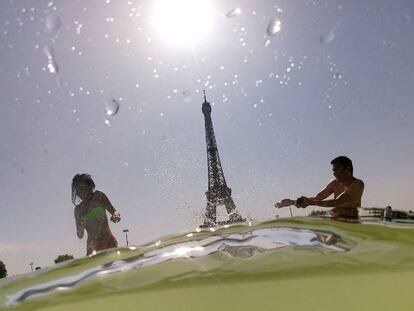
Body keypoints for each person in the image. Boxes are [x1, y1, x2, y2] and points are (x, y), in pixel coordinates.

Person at [275, 156, 364, 220]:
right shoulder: (333, 183)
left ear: (347, 169)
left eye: (337, 169)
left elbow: (338, 201)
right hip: (336, 223)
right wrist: (293, 202)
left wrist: (310, 202)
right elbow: (317, 198)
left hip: (352, 224)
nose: (334, 173)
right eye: (333, 170)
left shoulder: (358, 184)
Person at [72, 174, 121, 255]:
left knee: (110, 264)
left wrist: (116, 216)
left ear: (90, 186)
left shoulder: (99, 196)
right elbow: (80, 235)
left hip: (109, 242)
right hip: (92, 248)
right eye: (78, 190)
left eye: (83, 188)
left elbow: (115, 212)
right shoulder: (78, 210)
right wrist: (81, 226)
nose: (81, 192)